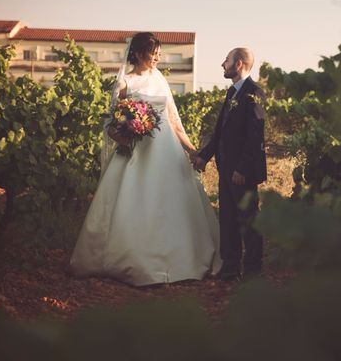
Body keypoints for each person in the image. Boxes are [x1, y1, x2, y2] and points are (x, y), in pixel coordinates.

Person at [70, 32, 221, 286]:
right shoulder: (124, 83)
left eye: (160, 54)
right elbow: (111, 127)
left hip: (167, 152)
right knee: (135, 202)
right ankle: (133, 259)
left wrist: (192, 150)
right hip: (136, 153)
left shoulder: (160, 79)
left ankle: (178, 258)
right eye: (154, 53)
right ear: (139, 54)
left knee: (171, 203)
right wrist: (127, 136)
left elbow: (173, 120)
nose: (158, 58)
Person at [193, 48, 267, 280]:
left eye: (227, 60)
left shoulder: (254, 92)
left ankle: (253, 270)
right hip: (225, 168)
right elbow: (220, 132)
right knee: (227, 218)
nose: (222, 64)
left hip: (241, 172)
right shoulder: (231, 94)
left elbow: (255, 136)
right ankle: (231, 266)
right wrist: (204, 156)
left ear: (239, 64)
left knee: (248, 220)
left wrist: (242, 169)